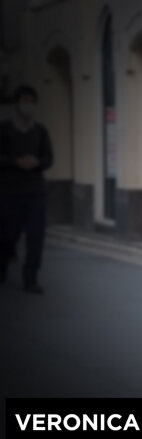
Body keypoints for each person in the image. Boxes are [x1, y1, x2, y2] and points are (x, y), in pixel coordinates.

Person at [0, 85, 53, 293]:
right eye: (25, 101)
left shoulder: (40, 131)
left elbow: (49, 158)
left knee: (36, 236)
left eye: (32, 102)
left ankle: (30, 279)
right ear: (17, 104)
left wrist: (37, 162)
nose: (28, 105)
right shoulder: (4, 129)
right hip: (9, 192)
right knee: (8, 235)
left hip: (35, 191)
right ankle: (2, 263)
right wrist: (16, 162)